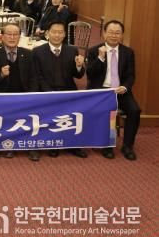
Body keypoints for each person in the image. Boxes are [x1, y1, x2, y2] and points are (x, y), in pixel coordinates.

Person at [86, 20, 141, 160]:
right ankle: (107, 146)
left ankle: (127, 146)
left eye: (117, 33)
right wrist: (100, 57)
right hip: (102, 93)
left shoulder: (128, 52)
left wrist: (125, 87)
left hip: (120, 91)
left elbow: (130, 75)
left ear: (122, 35)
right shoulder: (93, 51)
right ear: (104, 33)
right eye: (110, 32)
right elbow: (90, 74)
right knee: (107, 110)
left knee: (134, 110)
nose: (114, 35)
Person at [33, 20, 87, 158]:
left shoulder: (72, 50)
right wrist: (50, 93)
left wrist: (79, 66)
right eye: (54, 32)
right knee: (51, 113)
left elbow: (78, 75)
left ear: (64, 35)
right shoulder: (38, 51)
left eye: (60, 32)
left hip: (68, 91)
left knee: (77, 114)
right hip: (47, 92)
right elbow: (38, 76)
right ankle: (54, 144)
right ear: (47, 33)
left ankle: (74, 145)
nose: (57, 35)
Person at [0, 22, 39, 161]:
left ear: (20, 37)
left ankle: (30, 146)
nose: (12, 37)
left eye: (15, 35)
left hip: (24, 95)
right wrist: (1, 75)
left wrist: (32, 96)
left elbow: (33, 78)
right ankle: (9, 146)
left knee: (31, 117)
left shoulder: (28, 54)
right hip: (3, 97)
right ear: (2, 36)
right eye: (9, 34)